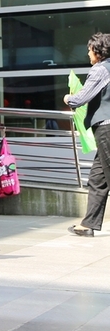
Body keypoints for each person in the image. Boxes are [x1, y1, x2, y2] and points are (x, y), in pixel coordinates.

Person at [65, 32, 110, 238]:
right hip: (105, 128)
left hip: (106, 128)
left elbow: (81, 98)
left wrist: (68, 98)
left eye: (89, 50)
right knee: (97, 179)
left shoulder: (100, 69)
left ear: (98, 51)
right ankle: (88, 224)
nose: (88, 54)